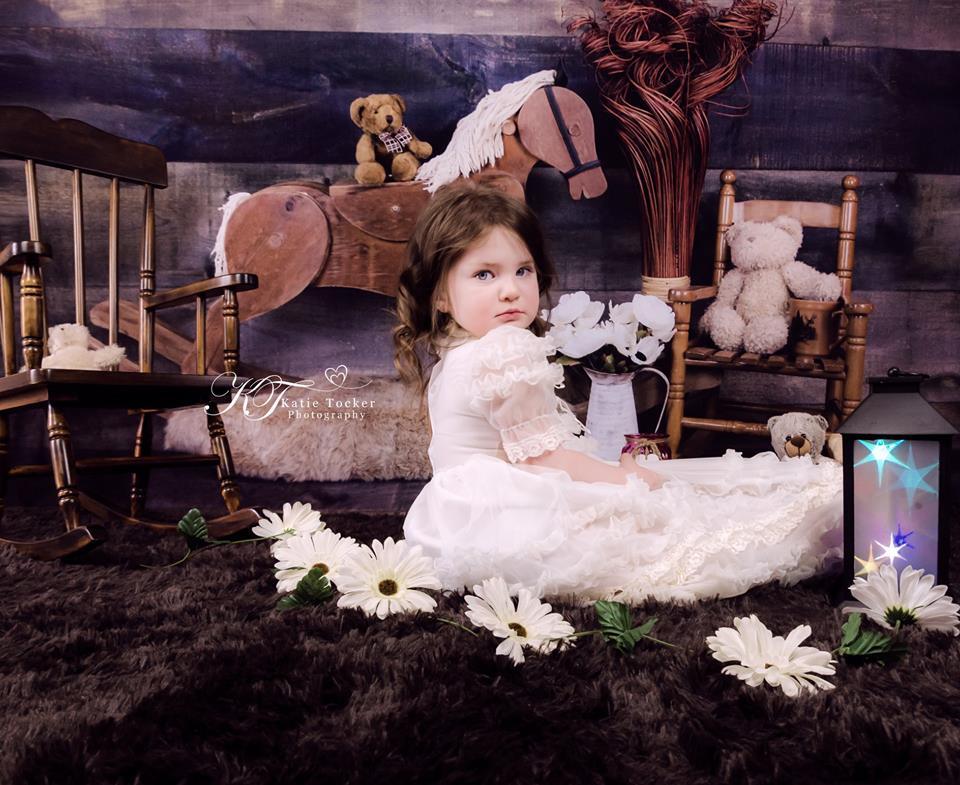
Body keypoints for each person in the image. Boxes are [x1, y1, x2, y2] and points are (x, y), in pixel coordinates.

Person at [394, 181, 843, 604]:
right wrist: (626, 481)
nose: (510, 290)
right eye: (484, 275)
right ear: (440, 296)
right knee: (660, 521)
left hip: (451, 520)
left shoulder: (455, 353)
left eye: (522, 270)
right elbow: (540, 459)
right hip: (509, 511)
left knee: (663, 492)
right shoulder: (504, 350)